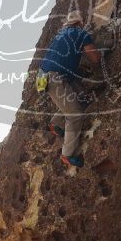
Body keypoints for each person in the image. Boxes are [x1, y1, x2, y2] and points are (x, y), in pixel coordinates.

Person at [38, 11, 103, 168]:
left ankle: (56, 124)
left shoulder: (61, 34)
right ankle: (68, 154)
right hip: (56, 78)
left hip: (45, 76)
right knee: (75, 114)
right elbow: (95, 58)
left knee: (80, 96)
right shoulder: (81, 33)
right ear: (80, 23)